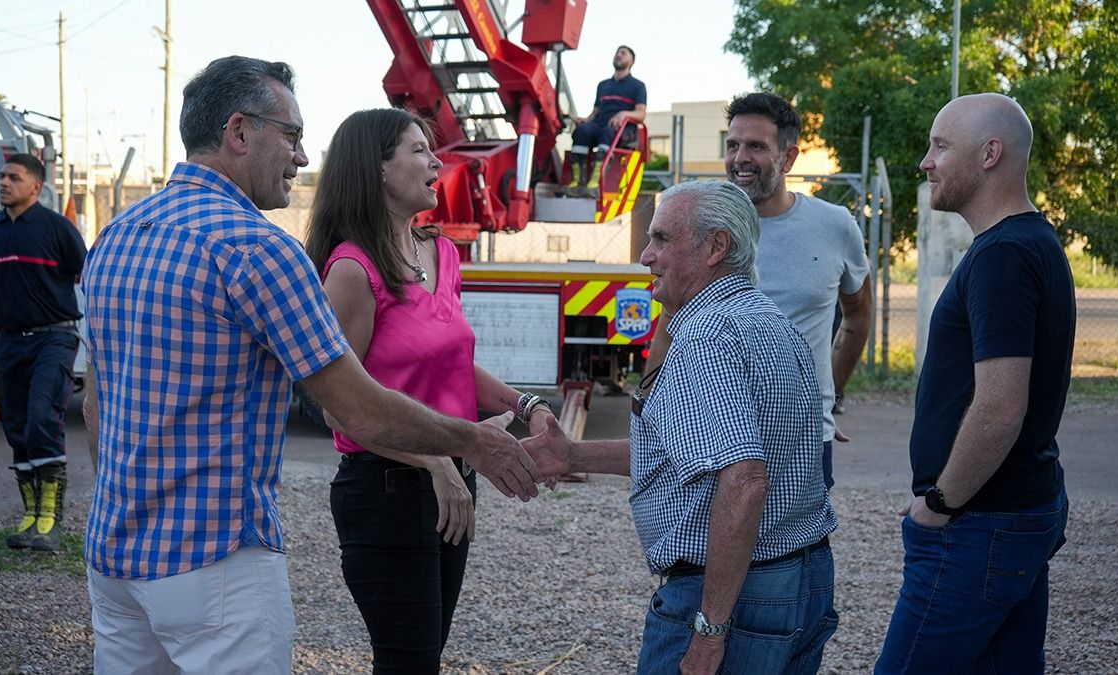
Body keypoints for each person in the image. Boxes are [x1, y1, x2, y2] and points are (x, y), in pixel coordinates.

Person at [81, 56, 541, 674]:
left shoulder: (115, 237)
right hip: (216, 560)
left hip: (116, 555)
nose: (301, 157)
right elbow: (355, 408)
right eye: (292, 136)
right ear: (239, 132)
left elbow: (96, 404)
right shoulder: (258, 247)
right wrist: (472, 443)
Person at [526, 180, 837, 674]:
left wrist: (710, 633)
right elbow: (692, 453)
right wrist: (574, 456)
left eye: (662, 239)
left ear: (716, 247)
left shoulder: (706, 337)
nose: (646, 256)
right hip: (797, 579)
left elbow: (744, 480)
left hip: (736, 596)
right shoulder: (770, 320)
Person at [304, 108, 558, 673]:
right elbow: (339, 410)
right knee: (409, 664)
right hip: (386, 491)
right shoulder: (352, 270)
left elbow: (454, 364)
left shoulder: (441, 253)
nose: (437, 163)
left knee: (426, 659)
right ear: (377, 168)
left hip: (453, 485)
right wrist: (438, 460)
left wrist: (528, 405)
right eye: (419, 150)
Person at [875, 93, 1074, 673]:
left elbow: (1000, 408)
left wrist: (940, 503)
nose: (926, 162)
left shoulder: (1004, 255)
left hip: (978, 524)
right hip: (1011, 512)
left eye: (940, 146)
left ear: (990, 154)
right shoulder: (1030, 241)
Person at [644, 92, 872, 490]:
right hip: (708, 435)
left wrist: (826, 398)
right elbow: (668, 325)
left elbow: (858, 314)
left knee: (798, 532)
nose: (740, 158)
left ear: (788, 157)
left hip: (801, 440)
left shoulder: (835, 226)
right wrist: (647, 414)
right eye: (732, 145)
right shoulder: (700, 226)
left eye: (756, 146)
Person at [0, 153, 86, 552]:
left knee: (43, 418)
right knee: (16, 427)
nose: (4, 183)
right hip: (8, 341)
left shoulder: (57, 228)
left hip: (53, 338)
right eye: (2, 176)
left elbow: (89, 276)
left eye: (14, 177)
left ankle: (50, 522)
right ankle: (30, 518)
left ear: (36, 186)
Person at [559, 45, 647, 198]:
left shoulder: (638, 86)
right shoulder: (603, 85)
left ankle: (594, 185)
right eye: (617, 52)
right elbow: (595, 112)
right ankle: (577, 183)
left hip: (622, 130)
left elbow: (641, 113)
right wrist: (585, 120)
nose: (618, 55)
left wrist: (624, 114)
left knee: (607, 132)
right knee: (581, 132)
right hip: (600, 124)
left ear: (631, 62)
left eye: (623, 53)